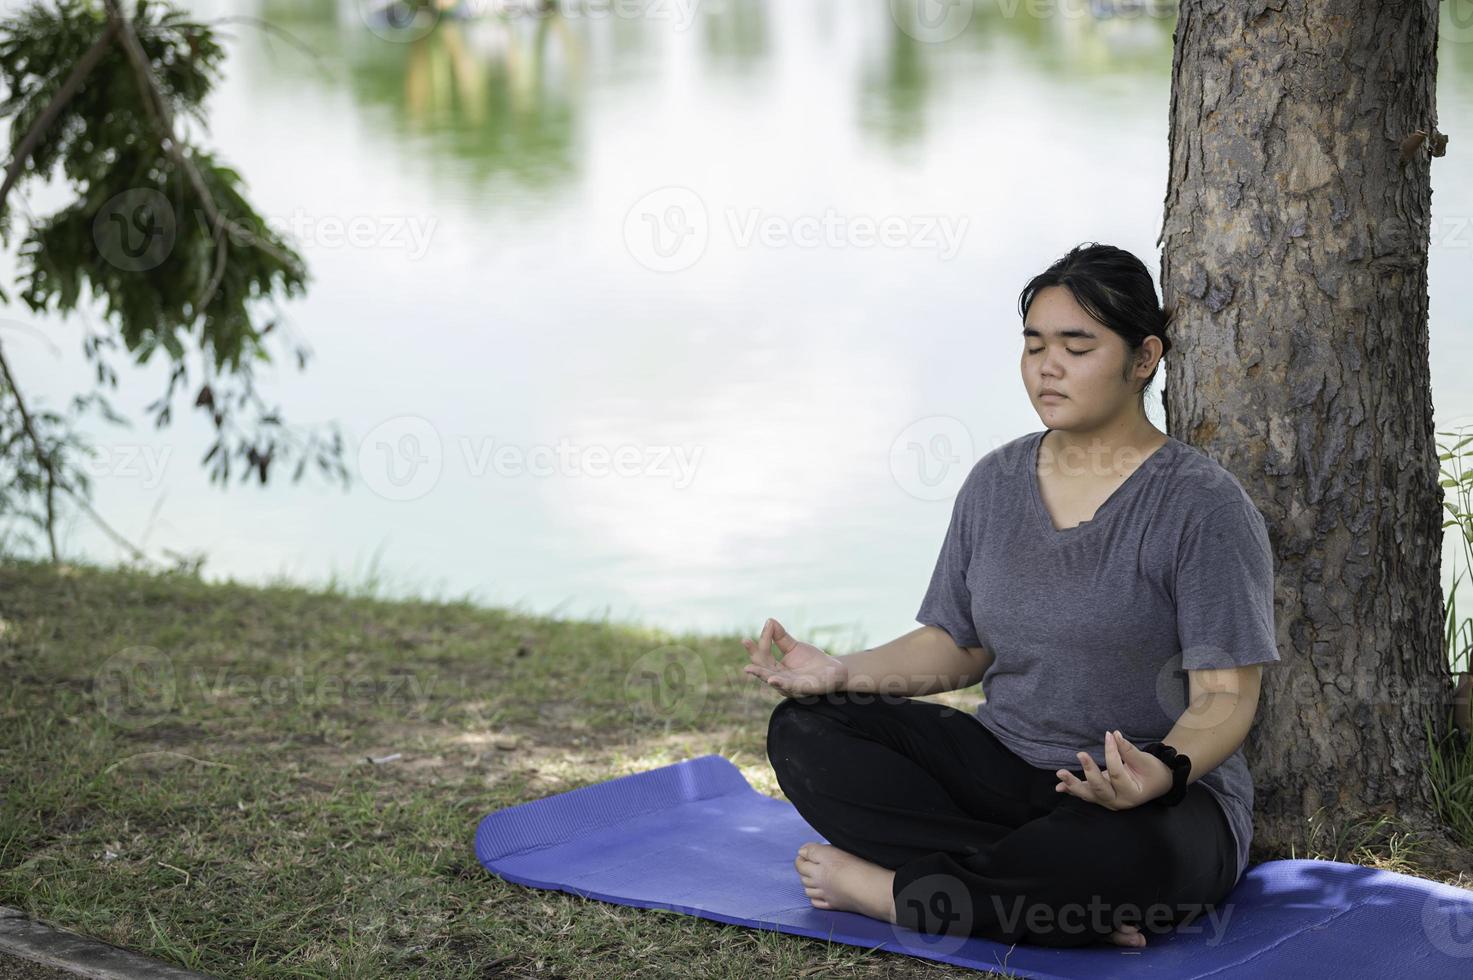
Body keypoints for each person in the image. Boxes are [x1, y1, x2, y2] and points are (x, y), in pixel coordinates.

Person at [741, 242, 1281, 950]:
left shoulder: (1200, 505)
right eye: (1033, 346)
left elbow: (1223, 698)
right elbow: (958, 646)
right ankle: (1044, 896)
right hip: (1007, 775)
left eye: (1075, 347)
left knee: (1121, 851)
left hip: (1147, 800)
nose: (1045, 367)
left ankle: (900, 894)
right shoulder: (994, 484)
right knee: (808, 730)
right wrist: (841, 673)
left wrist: (1159, 772)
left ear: (1143, 358)